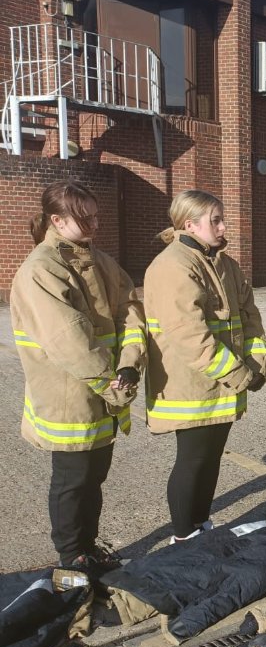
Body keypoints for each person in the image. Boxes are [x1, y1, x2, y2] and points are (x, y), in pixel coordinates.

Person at [10, 182, 146, 579]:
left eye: (96, 215)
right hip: (69, 396)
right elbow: (68, 340)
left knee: (94, 477)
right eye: (84, 218)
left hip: (106, 390)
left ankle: (87, 546)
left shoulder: (100, 262)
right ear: (56, 220)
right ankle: (71, 556)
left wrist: (130, 364)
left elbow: (130, 310)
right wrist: (113, 383)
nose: (95, 224)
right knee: (72, 480)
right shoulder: (42, 269)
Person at [143, 190, 266, 544]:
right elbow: (190, 335)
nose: (223, 226)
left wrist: (258, 361)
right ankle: (183, 536)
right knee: (193, 460)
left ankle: (200, 524)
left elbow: (249, 314)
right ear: (189, 225)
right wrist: (240, 374)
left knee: (210, 458)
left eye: (221, 218)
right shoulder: (174, 265)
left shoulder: (224, 263)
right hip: (192, 384)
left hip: (222, 383)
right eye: (215, 220)